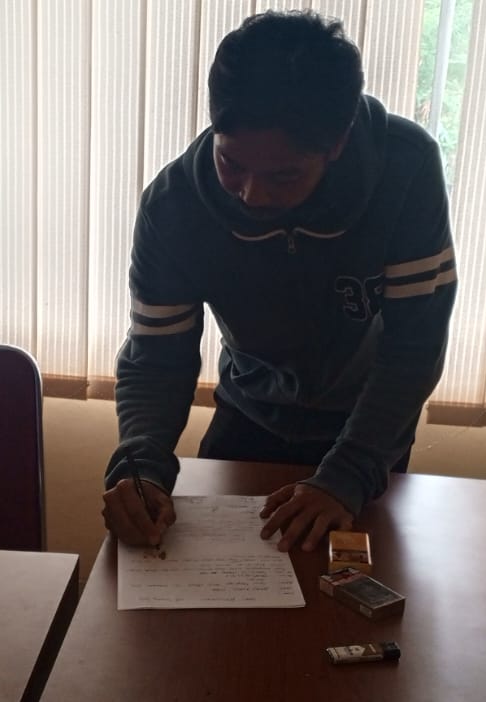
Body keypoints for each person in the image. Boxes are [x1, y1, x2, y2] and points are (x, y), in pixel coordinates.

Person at [101, 11, 457, 552]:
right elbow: (156, 357)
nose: (252, 194)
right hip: (248, 413)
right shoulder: (173, 206)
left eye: (284, 175)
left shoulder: (405, 169)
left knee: (349, 588)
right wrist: (140, 466)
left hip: (368, 426)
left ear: (337, 143)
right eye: (231, 163)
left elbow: (415, 345)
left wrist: (347, 474)